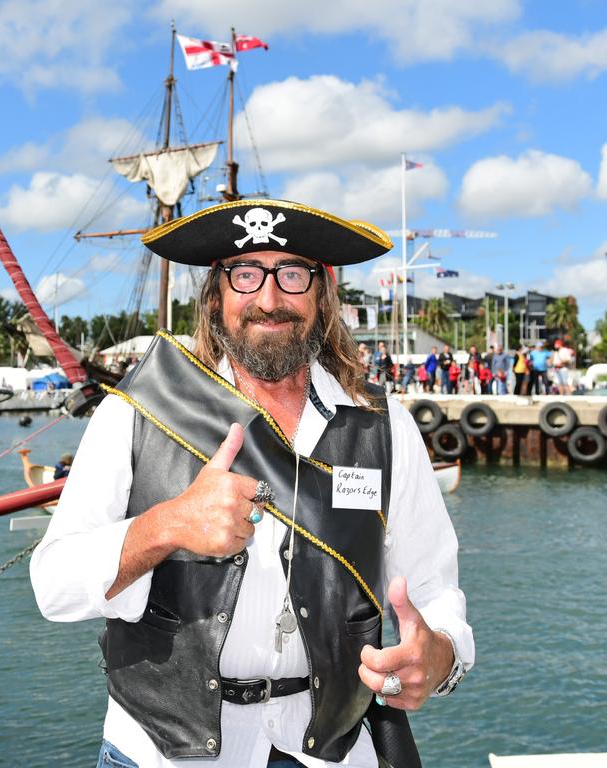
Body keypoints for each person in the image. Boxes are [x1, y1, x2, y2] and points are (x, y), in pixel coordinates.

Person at [31, 199, 472, 768]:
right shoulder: (136, 412)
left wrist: (437, 658)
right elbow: (53, 584)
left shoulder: (382, 427)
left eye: (292, 274)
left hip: (333, 754)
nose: (269, 299)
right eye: (246, 275)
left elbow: (435, 592)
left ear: (323, 293)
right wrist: (164, 527)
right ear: (216, 294)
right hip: (159, 754)